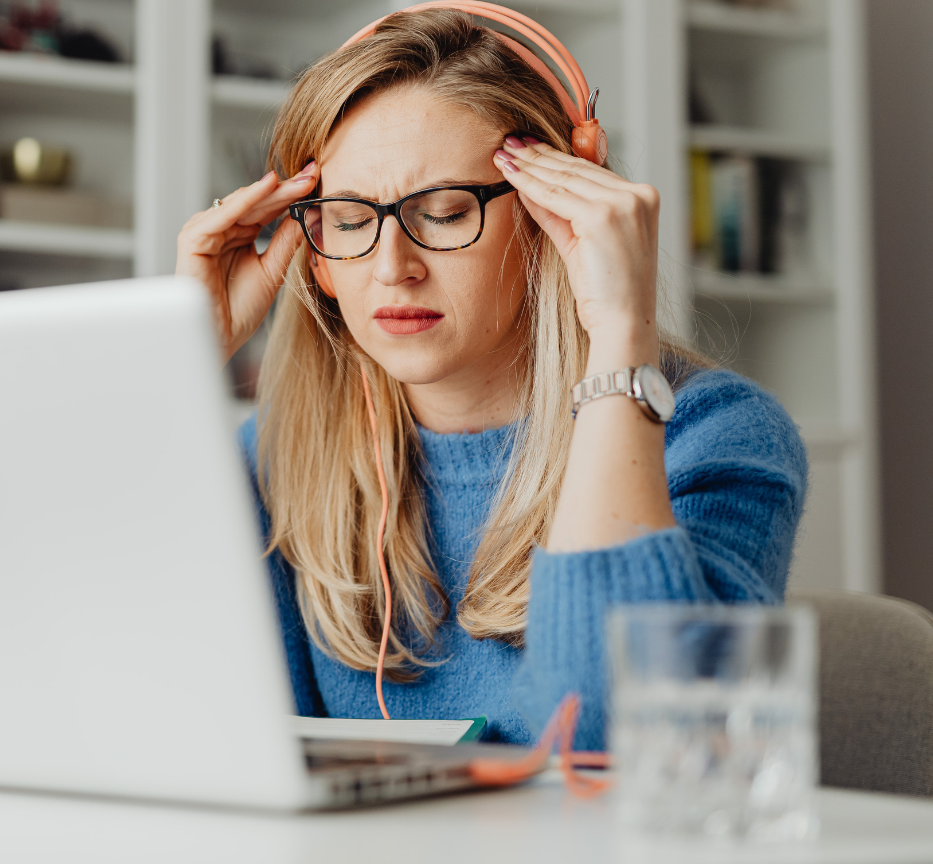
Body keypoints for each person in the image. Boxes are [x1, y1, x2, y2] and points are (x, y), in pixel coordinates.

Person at [175, 8, 807, 750]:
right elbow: (184, 720)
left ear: (554, 215)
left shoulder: (715, 438)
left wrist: (618, 341)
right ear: (312, 250)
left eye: (443, 213)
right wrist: (178, 365)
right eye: (348, 221)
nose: (392, 267)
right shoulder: (277, 457)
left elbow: (611, 741)